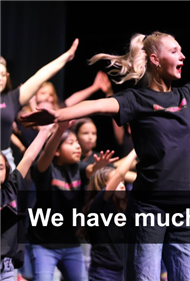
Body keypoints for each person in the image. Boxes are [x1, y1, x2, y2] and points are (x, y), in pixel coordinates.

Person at [21, 1, 190, 279]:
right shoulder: (135, 100)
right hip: (149, 208)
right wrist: (57, 114)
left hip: (186, 209)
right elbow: (94, 107)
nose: (183, 56)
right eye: (175, 51)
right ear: (155, 59)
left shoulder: (186, 95)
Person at [28, 119, 116, 281]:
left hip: (71, 245)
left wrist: (99, 167)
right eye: (71, 143)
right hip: (44, 245)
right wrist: (60, 130)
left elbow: (91, 171)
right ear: (57, 151)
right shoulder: (46, 169)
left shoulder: (79, 168)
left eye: (77, 142)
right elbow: (47, 153)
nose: (77, 146)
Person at [0, 40, 78, 169]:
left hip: (4, 159)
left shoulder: (11, 98)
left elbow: (41, 75)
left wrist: (67, 56)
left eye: (3, 74)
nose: (1, 78)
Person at [0, 125, 52, 280]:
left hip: (7, 266)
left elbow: (29, 157)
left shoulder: (11, 188)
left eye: (0, 167)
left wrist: (44, 131)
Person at [76, 149, 136, 281]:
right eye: (117, 182)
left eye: (122, 182)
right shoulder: (97, 205)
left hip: (125, 271)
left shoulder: (124, 205)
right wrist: (134, 151)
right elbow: (120, 173)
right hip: (104, 272)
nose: (122, 186)